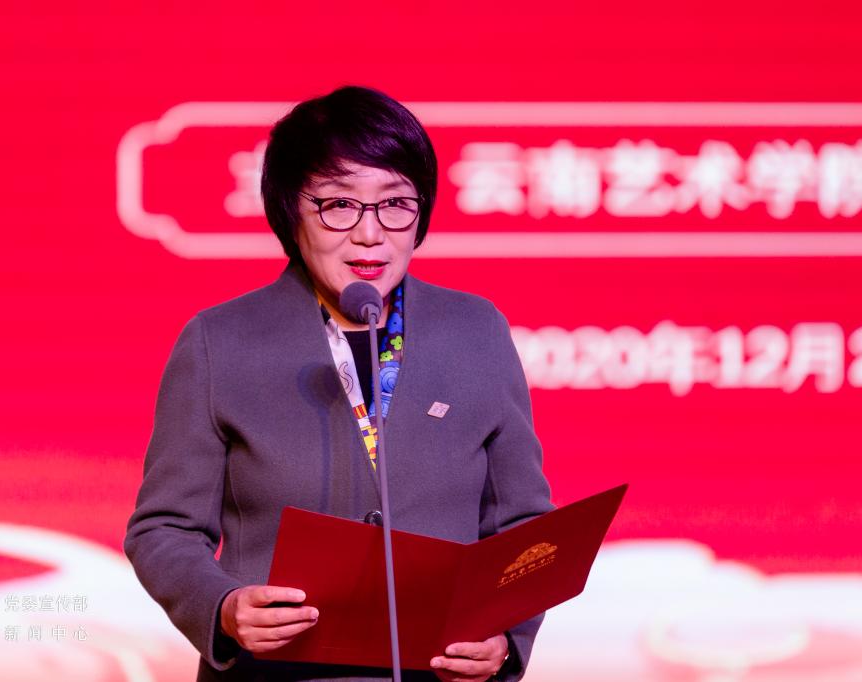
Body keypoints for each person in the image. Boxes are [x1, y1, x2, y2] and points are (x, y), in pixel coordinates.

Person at [124, 85, 553, 682]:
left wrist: (505, 637)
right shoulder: (220, 341)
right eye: (338, 205)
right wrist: (222, 608)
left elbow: (523, 525)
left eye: (395, 203)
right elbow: (164, 528)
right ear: (289, 211)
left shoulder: (475, 331)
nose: (370, 234)